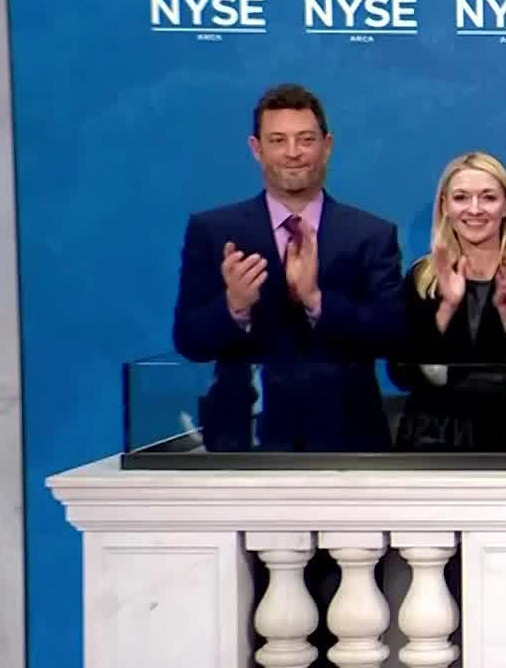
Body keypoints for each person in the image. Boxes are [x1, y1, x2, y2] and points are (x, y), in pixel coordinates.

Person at [171, 82, 404, 452]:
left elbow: (391, 334)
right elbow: (189, 341)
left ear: (327, 145)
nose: (293, 153)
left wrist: (317, 301)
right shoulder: (214, 231)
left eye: (305, 140)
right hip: (245, 439)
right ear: (256, 148)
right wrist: (234, 306)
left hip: (347, 441)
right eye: (278, 140)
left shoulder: (371, 234)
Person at [388, 152, 506, 452]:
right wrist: (447, 308)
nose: (474, 209)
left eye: (488, 198)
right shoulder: (422, 279)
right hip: (431, 441)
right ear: (445, 206)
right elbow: (402, 373)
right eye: (461, 198)